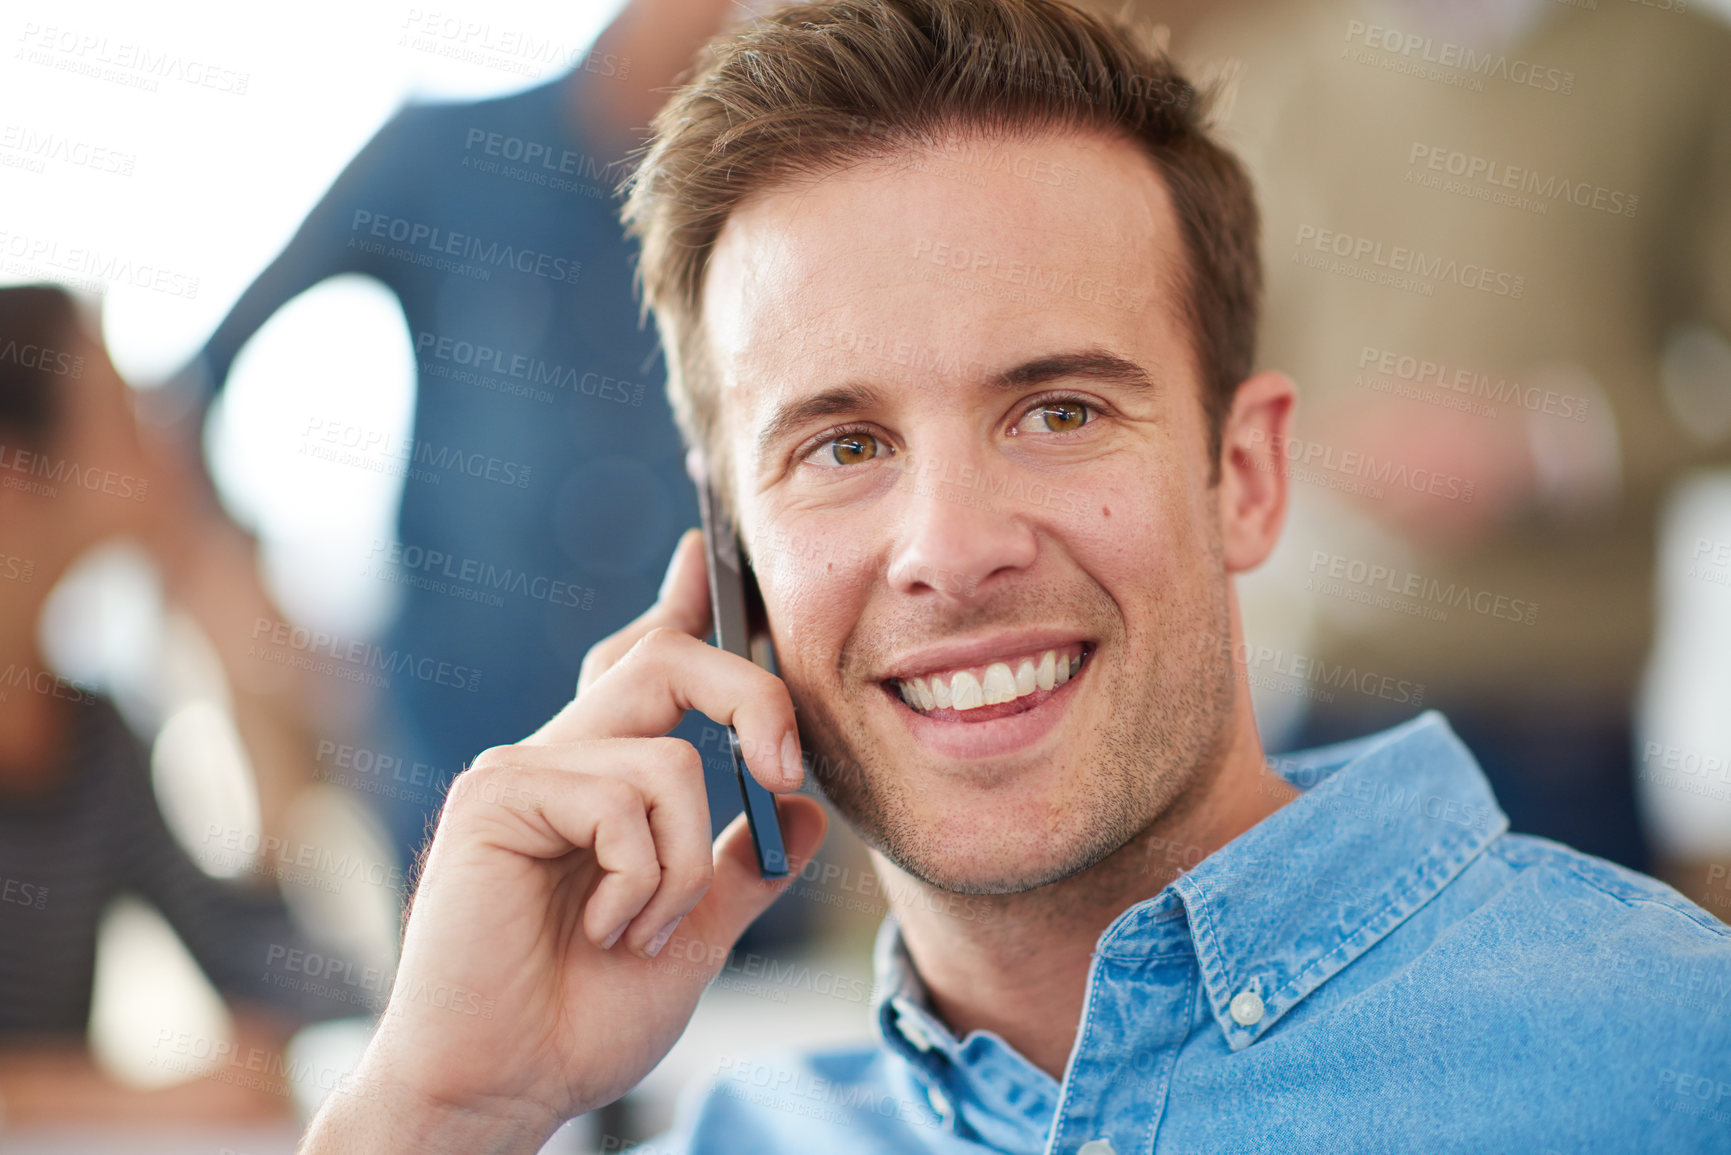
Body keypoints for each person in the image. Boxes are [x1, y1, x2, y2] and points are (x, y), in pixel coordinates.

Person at [299, 2, 1731, 1151]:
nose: (949, 546)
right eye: (842, 442)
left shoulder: (1671, 1064)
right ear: (728, 558)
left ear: (1243, 476)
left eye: (1057, 410)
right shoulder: (729, 1130)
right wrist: (439, 1114)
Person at [173, 0, 756, 867]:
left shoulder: (778, 182)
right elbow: (186, 396)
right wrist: (249, 613)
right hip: (452, 785)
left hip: (726, 807)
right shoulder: (437, 157)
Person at [0, 286, 352, 1122]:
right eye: (123, 413)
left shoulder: (89, 735)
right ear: (14, 474)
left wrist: (245, 681)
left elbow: (297, 984)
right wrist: (121, 1096)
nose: (166, 443)